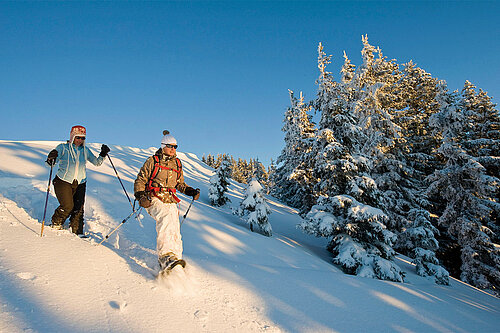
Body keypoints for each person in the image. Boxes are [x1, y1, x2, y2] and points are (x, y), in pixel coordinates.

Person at [134, 130, 200, 274]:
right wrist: (141, 196)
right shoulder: (153, 161)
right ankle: (165, 257)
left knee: (175, 227)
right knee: (165, 219)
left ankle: (176, 259)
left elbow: (179, 183)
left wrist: (190, 191)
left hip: (170, 199)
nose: (173, 149)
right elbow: (141, 180)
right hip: (154, 197)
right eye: (170, 146)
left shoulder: (177, 163)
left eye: (175, 147)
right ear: (163, 145)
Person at [45, 125, 110, 235]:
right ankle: (56, 223)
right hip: (63, 181)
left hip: (80, 183)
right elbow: (52, 162)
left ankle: (77, 231)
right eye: (78, 137)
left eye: (83, 138)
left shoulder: (85, 150)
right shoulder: (63, 148)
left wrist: (103, 154)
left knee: (79, 208)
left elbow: (96, 162)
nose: (80, 140)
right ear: (72, 136)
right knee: (68, 206)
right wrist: (52, 158)